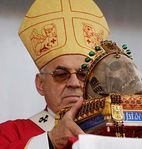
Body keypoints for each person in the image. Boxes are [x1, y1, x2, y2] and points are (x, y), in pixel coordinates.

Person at [0, 0, 109, 148]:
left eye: (83, 74)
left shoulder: (113, 131)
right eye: (61, 74)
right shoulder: (10, 133)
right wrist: (51, 140)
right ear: (40, 84)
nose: (74, 83)